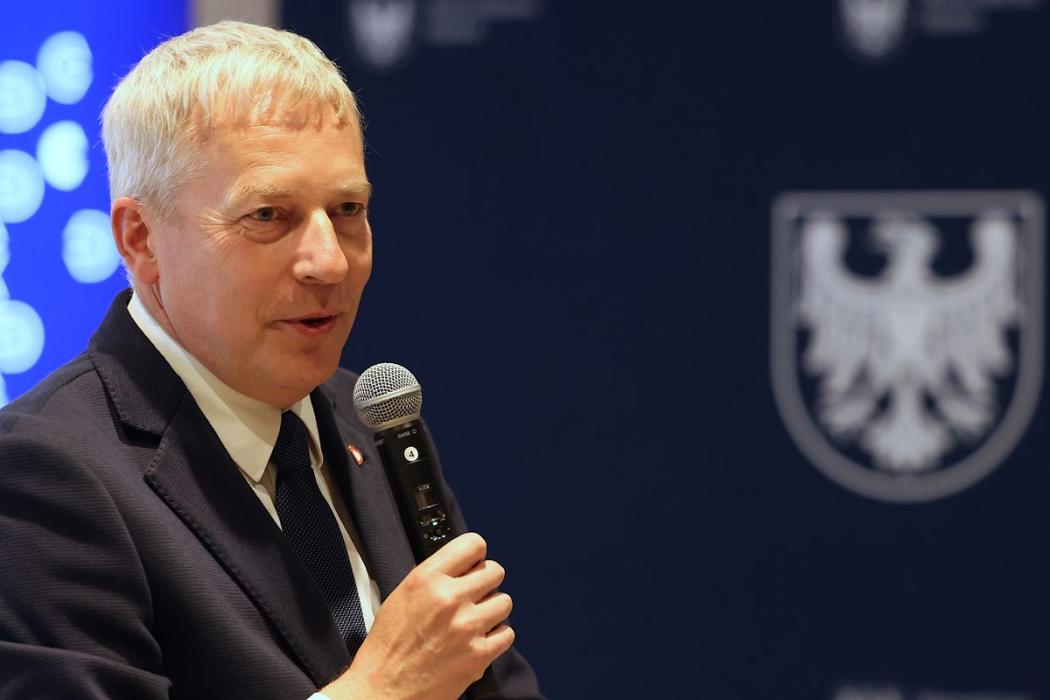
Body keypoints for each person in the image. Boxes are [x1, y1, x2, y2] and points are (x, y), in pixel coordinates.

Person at [0, 21, 544, 700]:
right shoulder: (41, 475)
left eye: (348, 209)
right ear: (141, 239)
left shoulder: (369, 420)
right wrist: (382, 691)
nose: (330, 262)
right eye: (268, 216)